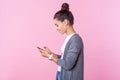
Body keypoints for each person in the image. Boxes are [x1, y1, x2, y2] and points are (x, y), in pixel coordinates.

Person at [37, 3, 84, 80]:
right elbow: (64, 58)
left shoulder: (75, 40)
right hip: (61, 74)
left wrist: (50, 56)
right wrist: (51, 53)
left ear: (65, 22)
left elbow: (68, 64)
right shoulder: (69, 38)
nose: (57, 28)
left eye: (57, 25)